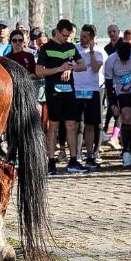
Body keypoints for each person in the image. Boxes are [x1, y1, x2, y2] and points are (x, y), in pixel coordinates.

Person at [35, 19, 87, 174]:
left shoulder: (71, 47)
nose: (66, 38)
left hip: (70, 91)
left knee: (71, 125)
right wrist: (58, 69)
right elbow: (38, 71)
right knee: (53, 127)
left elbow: (83, 65)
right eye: (64, 35)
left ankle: (73, 161)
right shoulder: (46, 48)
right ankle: (51, 162)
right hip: (54, 92)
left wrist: (71, 69)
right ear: (57, 31)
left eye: (68, 35)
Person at [104, 38, 131, 168]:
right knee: (127, 116)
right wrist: (112, 104)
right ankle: (126, 151)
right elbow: (108, 84)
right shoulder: (111, 61)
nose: (124, 61)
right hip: (121, 93)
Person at [72, 24, 103, 169]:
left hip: (92, 91)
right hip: (76, 90)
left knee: (90, 125)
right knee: (76, 125)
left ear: (92, 38)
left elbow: (96, 68)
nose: (82, 39)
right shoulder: (74, 50)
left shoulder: (98, 52)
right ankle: (76, 155)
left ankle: (90, 155)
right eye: (81, 36)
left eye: (86, 37)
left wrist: (90, 52)